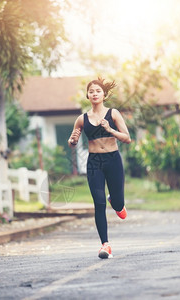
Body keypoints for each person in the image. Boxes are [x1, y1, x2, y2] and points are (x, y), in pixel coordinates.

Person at [68, 77, 131, 259]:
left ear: (104, 94)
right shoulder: (82, 119)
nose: (94, 94)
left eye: (98, 91)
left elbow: (126, 137)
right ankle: (105, 245)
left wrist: (110, 130)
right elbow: (73, 141)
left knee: (118, 204)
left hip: (113, 160)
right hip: (94, 163)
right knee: (98, 203)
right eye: (91, 91)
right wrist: (72, 140)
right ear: (88, 96)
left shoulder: (113, 114)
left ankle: (116, 202)